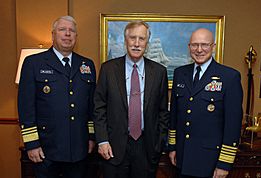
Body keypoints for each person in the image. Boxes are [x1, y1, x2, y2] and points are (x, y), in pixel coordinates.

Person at [18, 15, 96, 178]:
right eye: (62, 30)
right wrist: (32, 144)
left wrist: (91, 137)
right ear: (53, 34)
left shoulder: (87, 65)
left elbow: (91, 107)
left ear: (76, 36)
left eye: (72, 31)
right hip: (46, 150)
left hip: (78, 149)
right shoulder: (33, 63)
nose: (67, 34)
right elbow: (26, 107)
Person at [93, 21, 169, 178]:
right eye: (132, 38)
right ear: (125, 40)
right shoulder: (108, 69)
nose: (136, 43)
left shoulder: (159, 72)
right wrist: (102, 140)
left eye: (141, 39)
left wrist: (158, 144)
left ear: (147, 42)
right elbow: (99, 107)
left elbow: (162, 112)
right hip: (113, 147)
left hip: (146, 148)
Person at [168, 28, 243, 178]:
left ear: (213, 47)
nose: (199, 50)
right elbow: (175, 116)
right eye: (195, 45)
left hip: (210, 161)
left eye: (204, 45)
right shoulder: (180, 73)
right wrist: (172, 147)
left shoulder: (229, 77)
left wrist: (224, 163)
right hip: (182, 158)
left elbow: (232, 125)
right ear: (189, 47)